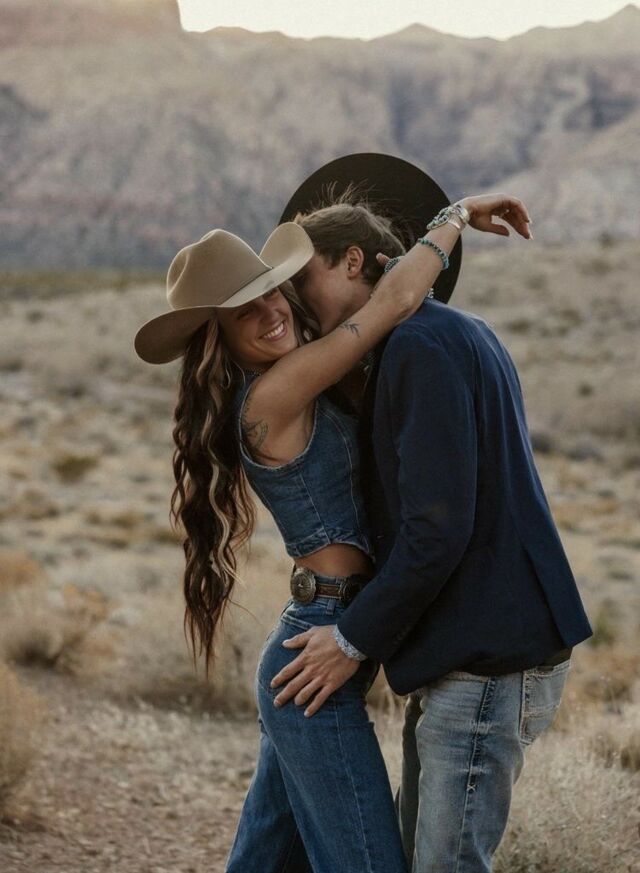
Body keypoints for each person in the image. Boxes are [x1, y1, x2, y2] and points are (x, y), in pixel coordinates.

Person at [132, 183, 529, 872]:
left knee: (264, 855)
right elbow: (392, 303)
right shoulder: (273, 393)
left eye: (271, 291)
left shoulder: (300, 380)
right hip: (320, 644)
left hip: (319, 638)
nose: (270, 311)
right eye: (243, 310)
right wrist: (457, 214)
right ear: (217, 337)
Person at [271, 154, 594, 873]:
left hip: (488, 661)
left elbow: (436, 529)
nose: (296, 301)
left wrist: (350, 639)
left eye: (304, 279)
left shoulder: (418, 348)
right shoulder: (453, 332)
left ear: (353, 261)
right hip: (476, 651)